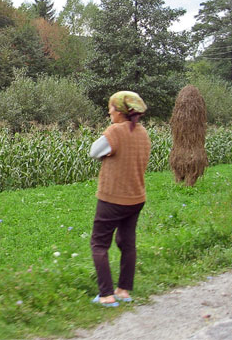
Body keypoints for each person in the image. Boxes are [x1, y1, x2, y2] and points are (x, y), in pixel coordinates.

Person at [89, 91, 150, 307]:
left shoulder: (115, 131)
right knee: (127, 243)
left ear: (121, 111)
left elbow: (94, 152)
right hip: (136, 198)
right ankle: (123, 290)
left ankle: (106, 295)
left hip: (113, 198)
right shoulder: (143, 133)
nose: (109, 111)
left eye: (111, 108)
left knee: (99, 244)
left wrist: (107, 153)